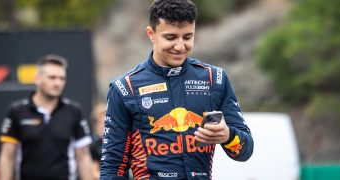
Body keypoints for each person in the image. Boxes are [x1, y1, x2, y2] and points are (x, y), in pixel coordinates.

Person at [100, 0, 254, 179]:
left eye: (188, 37)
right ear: (151, 34)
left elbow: (246, 151)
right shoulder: (124, 88)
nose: (180, 46)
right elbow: (113, 165)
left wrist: (228, 135)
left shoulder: (215, 79)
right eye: (171, 38)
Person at [0, 54, 93, 180]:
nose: (57, 83)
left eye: (62, 78)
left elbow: (83, 156)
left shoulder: (74, 111)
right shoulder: (17, 111)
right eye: (52, 78)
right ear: (37, 79)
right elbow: (7, 156)